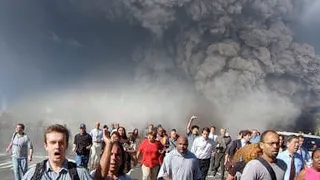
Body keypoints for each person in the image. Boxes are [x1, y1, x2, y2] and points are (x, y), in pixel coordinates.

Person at [22, 124, 92, 179]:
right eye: (53, 142)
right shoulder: (32, 174)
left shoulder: (81, 174)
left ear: (66, 145)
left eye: (61, 143)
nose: (57, 146)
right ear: (46, 146)